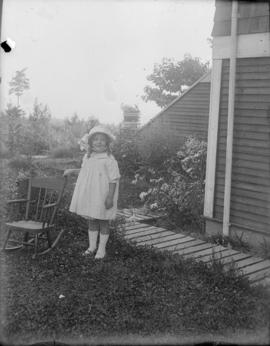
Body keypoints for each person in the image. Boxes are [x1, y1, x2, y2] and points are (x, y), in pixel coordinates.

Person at [63, 125, 120, 259]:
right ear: (90, 142)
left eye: (102, 139)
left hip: (103, 194)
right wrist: (72, 171)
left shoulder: (109, 159)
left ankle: (101, 250)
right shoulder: (88, 157)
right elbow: (85, 171)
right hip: (90, 194)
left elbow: (114, 180)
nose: (99, 142)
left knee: (103, 220)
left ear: (107, 143)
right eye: (95, 139)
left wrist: (110, 197)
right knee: (92, 219)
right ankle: (92, 246)